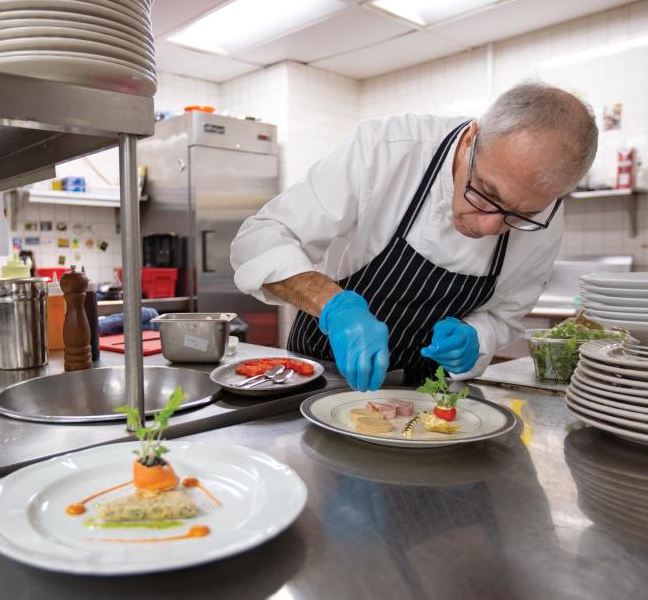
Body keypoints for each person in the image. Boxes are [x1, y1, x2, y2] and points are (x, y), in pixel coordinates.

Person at [230, 81, 598, 391]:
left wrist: (477, 336)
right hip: (324, 376)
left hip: (434, 399)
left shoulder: (546, 214)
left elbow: (506, 315)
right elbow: (262, 238)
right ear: (471, 139)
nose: (488, 227)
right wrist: (336, 307)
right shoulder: (387, 148)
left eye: (520, 216)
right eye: (486, 192)